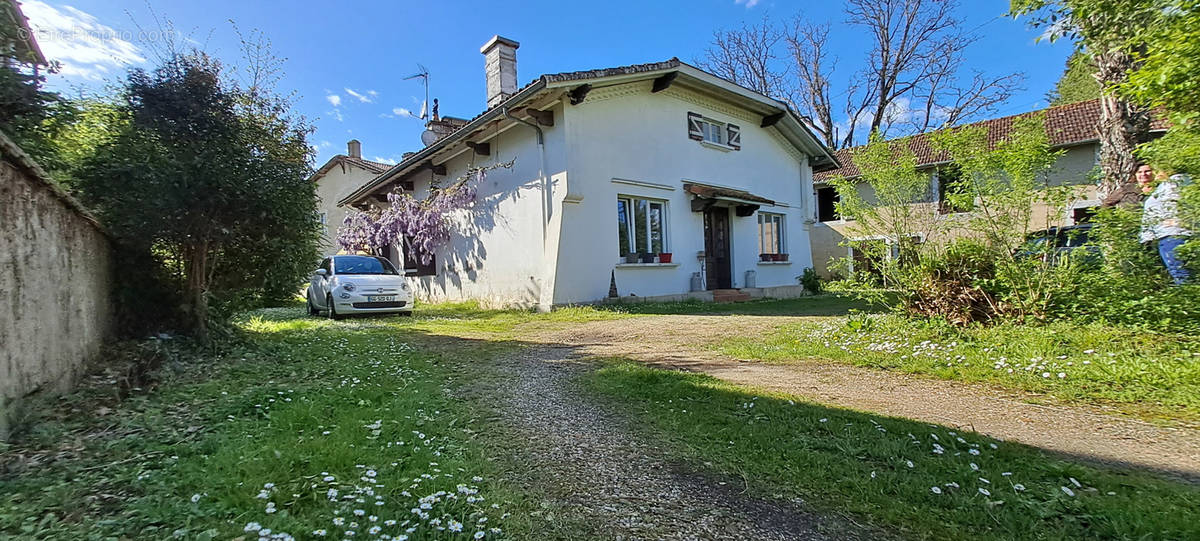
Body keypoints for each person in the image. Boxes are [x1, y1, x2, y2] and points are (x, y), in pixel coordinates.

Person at [1140, 166, 1192, 284]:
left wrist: (1176, 221)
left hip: (1172, 235)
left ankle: (1189, 300)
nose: (1154, 174)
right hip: (1168, 235)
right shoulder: (1165, 186)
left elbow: (1174, 205)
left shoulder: (1174, 183)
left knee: (1181, 274)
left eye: (1156, 170)